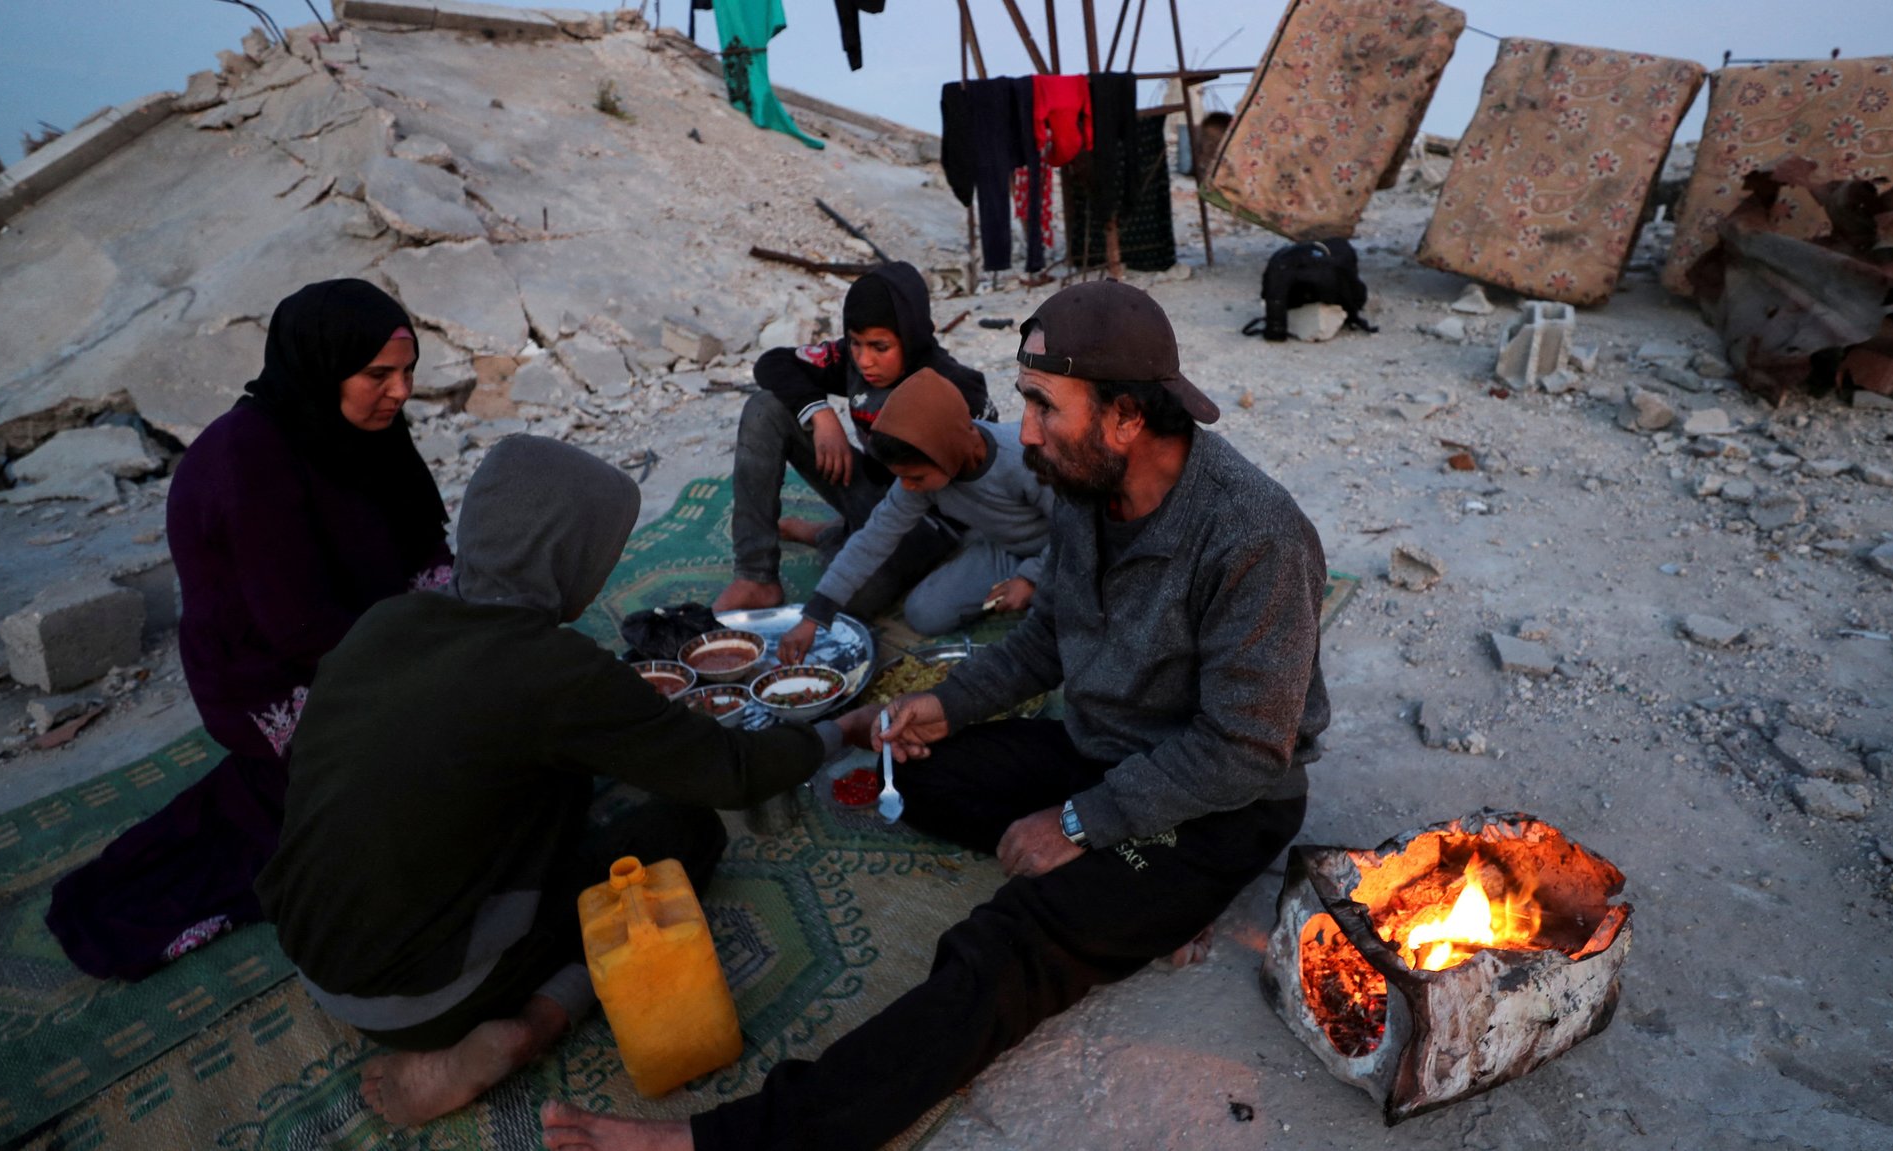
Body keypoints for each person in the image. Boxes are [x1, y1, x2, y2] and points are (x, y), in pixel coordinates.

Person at [538, 280, 1331, 1151]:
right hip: (1105, 744)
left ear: (1127, 418)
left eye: (1042, 406)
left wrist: (1080, 821)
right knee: (918, 776)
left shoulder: (1254, 534)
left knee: (1006, 941)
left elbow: (1247, 746)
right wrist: (944, 705)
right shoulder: (1081, 487)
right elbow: (1047, 640)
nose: (1023, 431)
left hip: (1223, 794)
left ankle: (733, 1139)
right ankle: (1132, 889)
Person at [256, 436, 839, 1127]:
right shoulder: (552, 668)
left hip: (312, 951)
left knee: (546, 779)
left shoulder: (390, 619)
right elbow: (732, 772)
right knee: (681, 829)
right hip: (419, 994)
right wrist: (834, 732)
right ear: (568, 555)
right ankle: (533, 1021)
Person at [47, 279, 453, 981]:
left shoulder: (364, 432)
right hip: (264, 674)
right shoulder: (249, 459)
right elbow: (297, 626)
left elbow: (421, 548)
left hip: (358, 630)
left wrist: (461, 628)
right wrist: (428, 664)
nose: (401, 392)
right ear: (323, 367)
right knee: (413, 792)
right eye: (378, 374)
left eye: (408, 372)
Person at [714, 261, 991, 616]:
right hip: (873, 490)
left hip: (927, 521)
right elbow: (772, 363)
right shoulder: (852, 359)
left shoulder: (954, 385)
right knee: (765, 407)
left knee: (853, 601)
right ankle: (756, 577)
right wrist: (821, 414)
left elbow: (988, 476)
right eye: (856, 343)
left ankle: (835, 536)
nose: (864, 360)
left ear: (912, 335)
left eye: (880, 347)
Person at [775, 367, 1052, 662]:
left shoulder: (1026, 458)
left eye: (916, 477)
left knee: (1050, 631)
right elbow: (875, 537)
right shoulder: (919, 478)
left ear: (948, 450)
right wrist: (814, 616)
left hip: (1068, 549)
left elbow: (1080, 529)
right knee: (925, 614)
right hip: (1005, 548)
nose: (907, 487)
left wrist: (1031, 578)